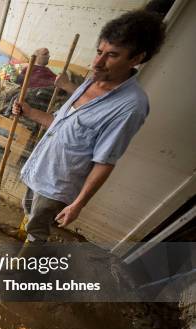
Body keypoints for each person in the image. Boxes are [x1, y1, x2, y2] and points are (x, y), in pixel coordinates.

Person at [11, 10, 166, 242]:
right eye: (99, 52)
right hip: (40, 166)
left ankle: (22, 268)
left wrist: (78, 204)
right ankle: (23, 239)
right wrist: (30, 112)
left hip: (58, 182)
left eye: (112, 55)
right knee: (29, 210)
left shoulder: (131, 106)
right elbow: (62, 126)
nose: (97, 62)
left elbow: (104, 162)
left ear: (136, 59)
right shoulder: (90, 81)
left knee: (37, 229)